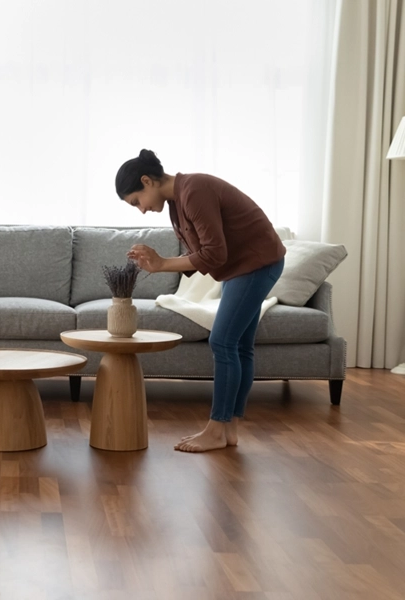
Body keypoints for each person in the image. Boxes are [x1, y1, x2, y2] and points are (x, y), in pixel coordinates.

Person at [116, 149, 286, 453]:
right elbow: (201, 254)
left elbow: (214, 254)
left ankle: (216, 428)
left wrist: (163, 262)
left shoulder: (195, 191)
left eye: (136, 202)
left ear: (147, 181)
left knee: (222, 342)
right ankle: (228, 430)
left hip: (257, 264)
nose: (140, 210)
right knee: (238, 346)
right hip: (243, 267)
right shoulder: (176, 203)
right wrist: (158, 263)